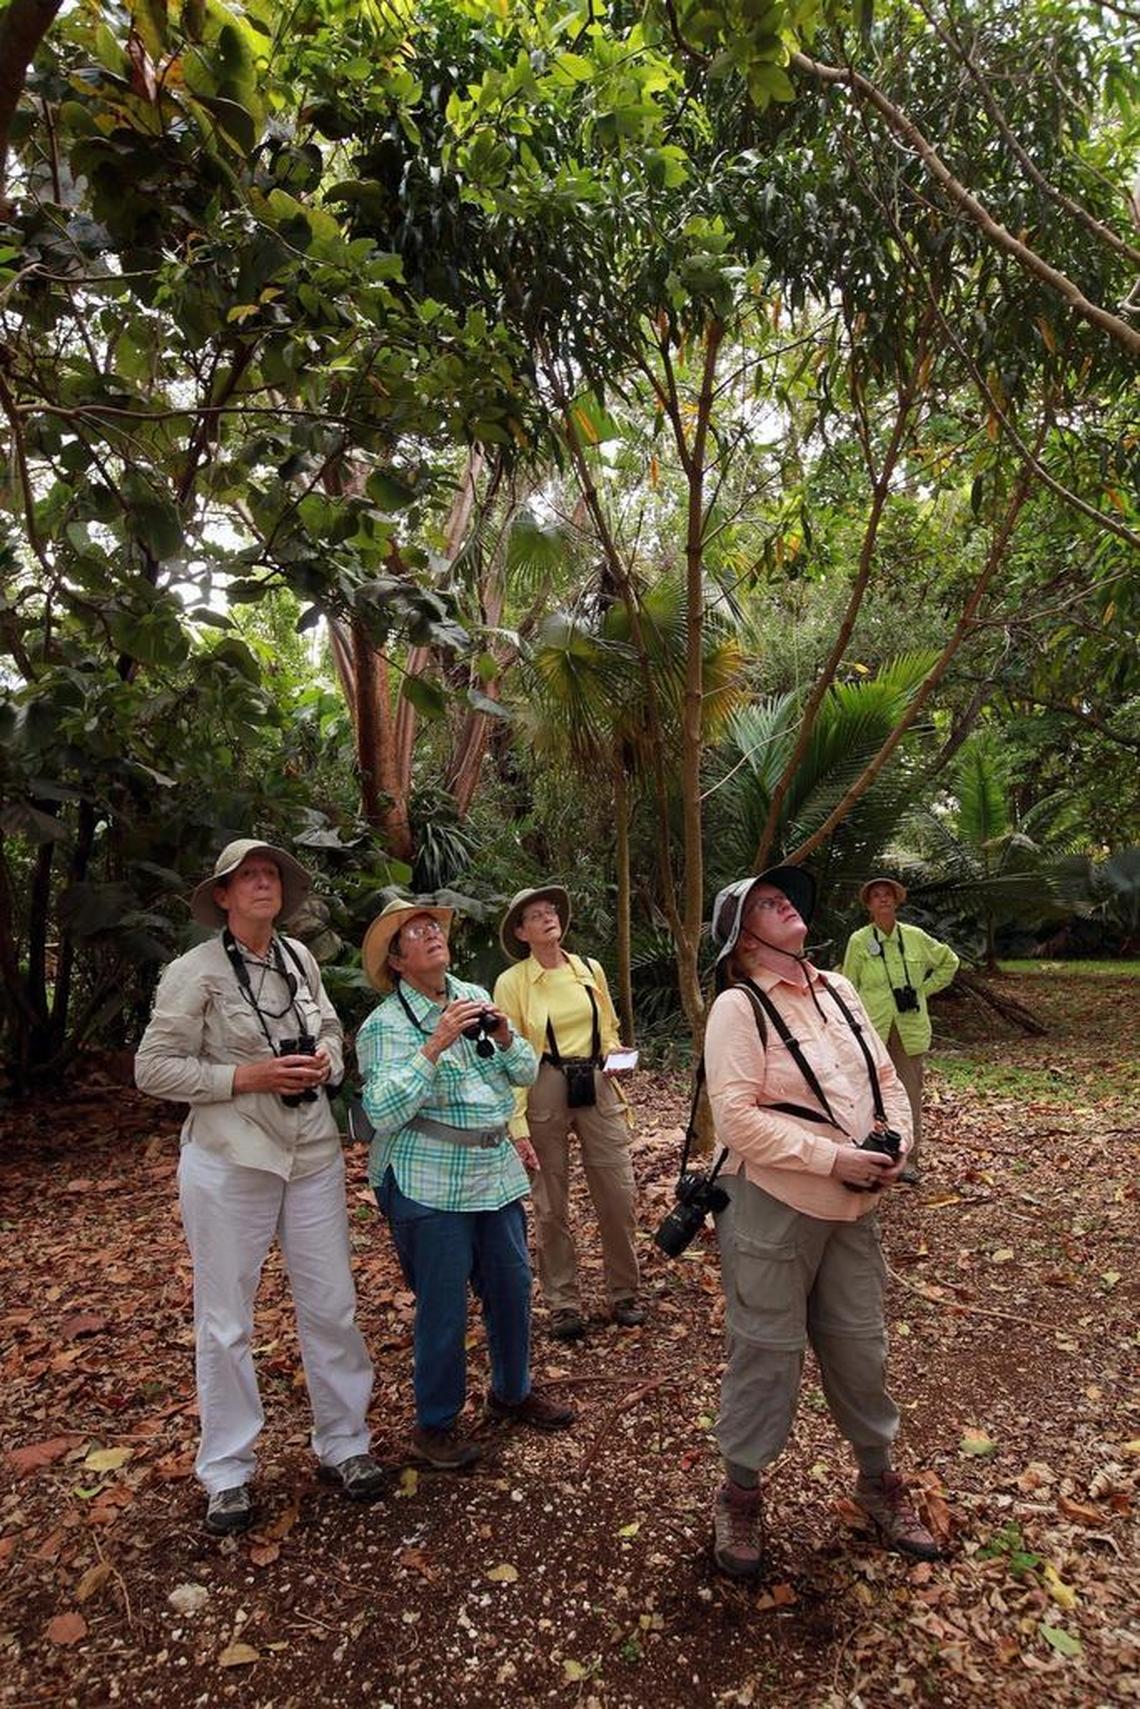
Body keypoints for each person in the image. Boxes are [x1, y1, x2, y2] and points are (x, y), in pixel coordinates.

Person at [135, 839, 383, 1536]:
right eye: (249, 876)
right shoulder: (196, 971)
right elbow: (152, 1068)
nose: (263, 883)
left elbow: (329, 1023)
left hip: (310, 1151)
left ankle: (345, 1443)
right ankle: (227, 1470)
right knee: (225, 1319)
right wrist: (245, 1077)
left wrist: (325, 1058)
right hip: (230, 1158)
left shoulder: (298, 956)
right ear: (223, 894)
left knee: (332, 1303)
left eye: (272, 873)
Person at [702, 865, 939, 1579]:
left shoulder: (838, 989)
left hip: (853, 1206)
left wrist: (896, 1145)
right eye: (768, 905)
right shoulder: (738, 1008)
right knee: (767, 1353)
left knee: (862, 1347)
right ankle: (740, 1491)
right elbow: (736, 1119)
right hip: (773, 1204)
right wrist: (831, 1157)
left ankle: (878, 1482)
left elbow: (886, 1081)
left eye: (786, 899)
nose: (787, 907)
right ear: (743, 940)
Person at [356, 898, 575, 1469]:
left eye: (434, 927)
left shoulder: (474, 997)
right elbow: (381, 1109)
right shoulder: (384, 1026)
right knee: (444, 1303)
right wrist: (433, 1046)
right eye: (415, 933)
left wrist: (503, 1037)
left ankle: (511, 1389)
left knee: (510, 1284)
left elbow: (526, 1070)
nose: (431, 935)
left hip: (493, 1171)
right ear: (397, 963)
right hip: (426, 1176)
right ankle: (435, 1424)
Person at [493, 885, 643, 1341]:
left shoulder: (588, 969)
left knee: (617, 1189)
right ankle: (563, 1302)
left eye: (551, 911)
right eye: (535, 915)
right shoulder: (513, 982)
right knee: (550, 1200)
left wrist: (618, 1057)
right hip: (543, 1084)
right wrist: (516, 1124)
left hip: (596, 1080)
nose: (547, 918)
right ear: (521, 932)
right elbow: (509, 1052)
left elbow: (610, 1027)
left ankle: (624, 1292)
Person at [842, 877, 959, 1177]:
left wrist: (924, 989)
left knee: (909, 1095)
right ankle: (872, 1154)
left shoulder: (915, 936)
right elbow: (848, 985)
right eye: (876, 896)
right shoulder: (859, 941)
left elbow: (949, 961)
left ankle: (908, 1161)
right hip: (872, 1029)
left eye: (887, 895)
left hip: (909, 1029)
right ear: (868, 905)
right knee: (870, 1095)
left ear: (896, 901)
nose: (882, 900)